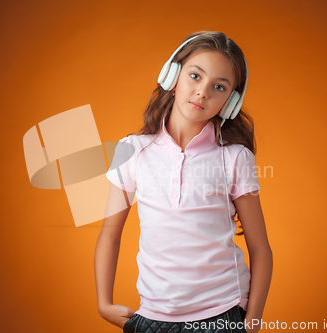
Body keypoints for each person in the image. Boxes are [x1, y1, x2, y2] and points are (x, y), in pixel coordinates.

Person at [95, 30, 272, 333]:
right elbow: (110, 235)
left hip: (223, 313)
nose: (203, 91)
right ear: (171, 77)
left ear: (229, 103)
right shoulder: (132, 150)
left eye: (219, 86)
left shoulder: (235, 158)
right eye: (195, 76)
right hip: (154, 315)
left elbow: (260, 249)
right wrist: (103, 303)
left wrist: (251, 324)